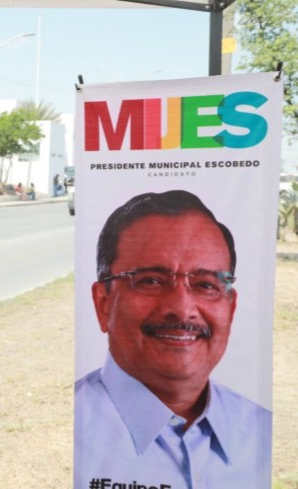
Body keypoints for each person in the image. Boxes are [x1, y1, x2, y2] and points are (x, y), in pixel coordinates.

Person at [74, 190, 271, 489]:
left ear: (230, 309)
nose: (181, 309)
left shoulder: (262, 430)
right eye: (151, 280)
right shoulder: (68, 432)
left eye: (206, 284)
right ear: (103, 303)